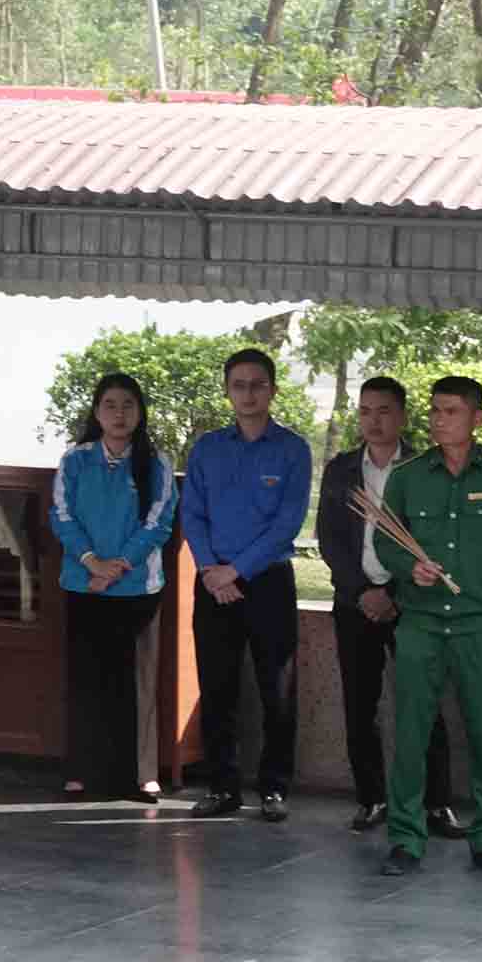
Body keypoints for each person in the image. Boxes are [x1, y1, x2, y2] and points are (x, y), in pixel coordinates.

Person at [373, 375, 482, 877]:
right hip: (421, 623)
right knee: (411, 734)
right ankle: (405, 838)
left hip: (480, 626)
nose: (439, 420)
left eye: (451, 411)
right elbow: (385, 543)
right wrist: (409, 569)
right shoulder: (408, 475)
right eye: (435, 411)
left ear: (476, 418)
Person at [315, 375, 465, 839]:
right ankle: (371, 798)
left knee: (424, 702)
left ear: (401, 416)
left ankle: (437, 804)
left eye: (383, 411)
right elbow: (331, 539)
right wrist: (361, 591)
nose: (373, 421)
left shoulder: (425, 466)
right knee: (361, 705)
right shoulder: (341, 469)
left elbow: (438, 539)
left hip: (413, 602)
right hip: (354, 601)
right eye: (365, 411)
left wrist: (396, 594)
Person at [182, 347, 312, 822]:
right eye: (239, 385)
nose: (249, 393)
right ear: (227, 391)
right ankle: (222, 787)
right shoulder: (207, 448)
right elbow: (191, 513)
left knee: (276, 688)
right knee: (217, 687)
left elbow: (287, 523)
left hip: (267, 581)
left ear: (273, 391)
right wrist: (211, 570)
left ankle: (274, 788)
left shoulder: (293, 448)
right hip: (212, 582)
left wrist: (235, 571)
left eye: (258, 384)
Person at [49, 373, 177, 803]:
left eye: (128, 405)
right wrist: (93, 563)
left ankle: (143, 775)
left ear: (140, 412)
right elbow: (62, 516)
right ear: (96, 412)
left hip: (138, 587)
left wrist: (118, 565)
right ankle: (82, 771)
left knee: (140, 683)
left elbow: (158, 523)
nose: (119, 414)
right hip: (84, 585)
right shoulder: (75, 459)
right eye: (110, 405)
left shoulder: (156, 461)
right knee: (87, 680)